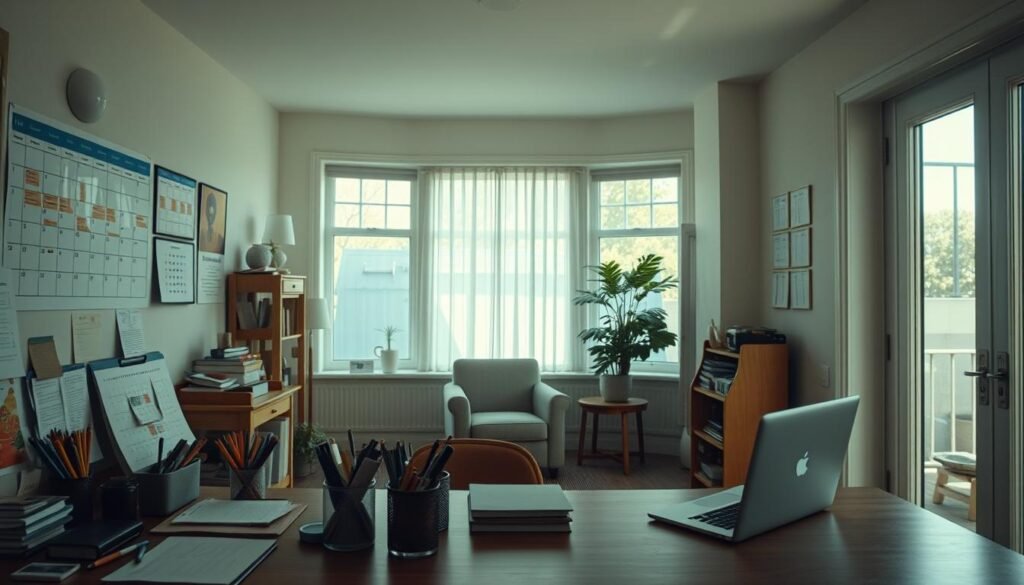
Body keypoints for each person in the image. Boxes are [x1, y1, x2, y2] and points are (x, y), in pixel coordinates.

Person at [199, 190, 226, 254]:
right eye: (209, 213)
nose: (210, 214)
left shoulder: (220, 239)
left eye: (212, 214)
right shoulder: (201, 234)